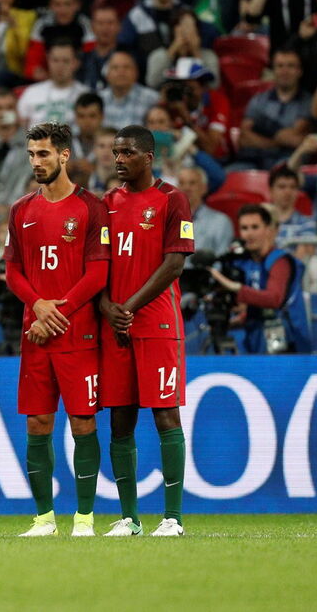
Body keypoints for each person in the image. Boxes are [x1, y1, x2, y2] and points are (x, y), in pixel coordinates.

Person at [3, 122, 110, 538]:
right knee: (38, 424)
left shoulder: (91, 207)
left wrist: (57, 311)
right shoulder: (21, 209)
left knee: (83, 423)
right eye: (31, 154)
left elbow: (98, 272)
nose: (36, 162)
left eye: (44, 154)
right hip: (36, 335)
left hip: (76, 334)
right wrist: (38, 306)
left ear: (65, 155)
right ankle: (44, 519)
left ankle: (84, 518)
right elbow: (12, 271)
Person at [100, 125, 194, 537]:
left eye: (127, 152)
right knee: (120, 420)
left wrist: (128, 308)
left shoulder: (172, 199)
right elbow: (96, 267)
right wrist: (107, 309)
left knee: (165, 415)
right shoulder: (106, 204)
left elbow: (175, 264)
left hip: (156, 323)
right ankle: (129, 518)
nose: (119, 159)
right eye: (115, 152)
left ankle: (172, 517)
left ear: (148, 157)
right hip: (116, 327)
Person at [209, 204, 312, 352]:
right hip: (256, 337)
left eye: (255, 227)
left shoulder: (280, 261)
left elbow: (274, 299)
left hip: (289, 343)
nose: (249, 234)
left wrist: (236, 288)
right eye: (244, 228)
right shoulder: (243, 262)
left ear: (269, 230)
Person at [236, 48, 312, 170]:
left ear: (299, 71)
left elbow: (295, 138)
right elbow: (244, 138)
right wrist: (276, 142)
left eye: (290, 66)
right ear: (273, 70)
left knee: (282, 171)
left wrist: (262, 130)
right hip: (254, 159)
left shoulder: (307, 102)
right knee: (231, 174)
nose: (284, 71)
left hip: (288, 159)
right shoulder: (258, 100)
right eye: (280, 66)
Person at [17, 40, 89, 127]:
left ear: (75, 63)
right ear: (48, 61)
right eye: (55, 60)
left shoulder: (85, 95)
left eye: (65, 61)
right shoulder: (31, 92)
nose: (60, 66)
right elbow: (20, 128)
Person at [24, 0, 94, 81]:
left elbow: (90, 58)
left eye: (67, 4)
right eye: (57, 4)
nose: (63, 9)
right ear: (50, 6)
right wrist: (35, 71)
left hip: (79, 77)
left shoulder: (85, 25)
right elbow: (33, 59)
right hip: (47, 77)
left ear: (77, 5)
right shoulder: (42, 25)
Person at [177, 166, 233, 260]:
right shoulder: (166, 220)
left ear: (204, 188)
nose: (186, 188)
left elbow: (222, 261)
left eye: (192, 183)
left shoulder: (221, 222)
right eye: (181, 183)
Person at [99, 51, 159, 131]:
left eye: (126, 67)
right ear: (107, 74)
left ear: (136, 72)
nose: (121, 72)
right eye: (115, 68)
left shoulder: (152, 98)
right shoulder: (98, 99)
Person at [269, 165, 316, 265]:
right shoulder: (260, 220)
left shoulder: (307, 223)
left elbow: (303, 259)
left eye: (293, 187)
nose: (287, 192)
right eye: (282, 187)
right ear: (271, 190)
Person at [79, 5, 120, 90]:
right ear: (92, 27)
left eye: (110, 23)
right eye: (100, 23)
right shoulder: (81, 59)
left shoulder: (130, 57)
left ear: (119, 26)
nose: (105, 28)